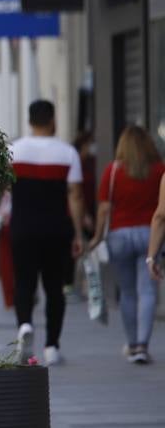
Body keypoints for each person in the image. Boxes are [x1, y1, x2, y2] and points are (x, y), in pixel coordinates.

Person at [9, 100, 84, 365]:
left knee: (24, 282)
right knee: (54, 287)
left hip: (22, 228)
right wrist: (77, 233)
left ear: (30, 122)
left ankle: (25, 325)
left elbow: (1, 191)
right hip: (57, 230)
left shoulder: (14, 151)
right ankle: (52, 345)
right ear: (53, 120)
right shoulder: (67, 153)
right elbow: (75, 196)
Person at [87, 125, 163, 364]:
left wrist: (97, 236)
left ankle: (131, 345)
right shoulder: (159, 170)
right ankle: (142, 345)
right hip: (149, 234)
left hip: (119, 235)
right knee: (148, 291)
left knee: (128, 292)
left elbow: (104, 209)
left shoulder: (112, 171)